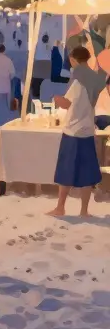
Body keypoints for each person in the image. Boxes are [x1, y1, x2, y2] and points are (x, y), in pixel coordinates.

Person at [48, 46, 103, 218]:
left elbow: (67, 103)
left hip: (73, 130)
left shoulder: (77, 79)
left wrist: (56, 99)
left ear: (73, 59)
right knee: (87, 172)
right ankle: (84, 211)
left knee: (66, 170)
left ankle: (60, 207)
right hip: (88, 129)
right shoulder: (95, 78)